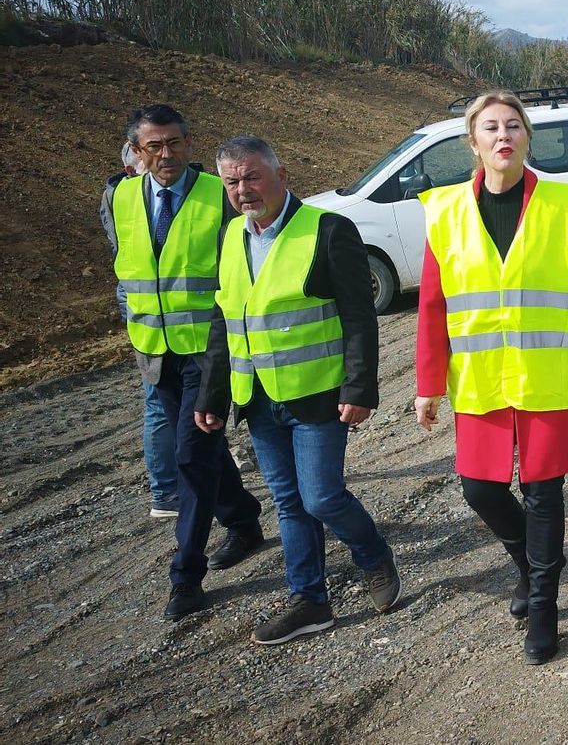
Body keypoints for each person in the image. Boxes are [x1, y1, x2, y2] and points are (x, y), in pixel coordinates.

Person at [414, 91, 568, 664]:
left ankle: (545, 609)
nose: (503, 135)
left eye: (513, 126)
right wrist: (428, 384)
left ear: (527, 136)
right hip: (481, 379)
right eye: (490, 128)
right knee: (478, 488)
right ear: (473, 142)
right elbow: (431, 307)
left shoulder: (564, 206)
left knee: (544, 492)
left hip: (548, 375)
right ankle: (530, 564)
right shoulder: (444, 212)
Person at [196, 135, 400, 644]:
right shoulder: (230, 236)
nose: (243, 189)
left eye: (252, 177)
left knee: (322, 498)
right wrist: (212, 394)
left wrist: (360, 386)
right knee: (288, 502)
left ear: (281, 176)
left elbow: (358, 316)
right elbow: (226, 320)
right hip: (257, 397)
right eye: (232, 182)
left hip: (317, 394)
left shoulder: (327, 230)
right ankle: (309, 600)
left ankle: (373, 554)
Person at [105, 104, 266, 619]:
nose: (166, 154)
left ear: (188, 143)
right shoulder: (120, 196)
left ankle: (186, 577)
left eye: (174, 142)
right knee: (203, 447)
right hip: (154, 352)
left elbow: (244, 264)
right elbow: (125, 268)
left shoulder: (218, 195)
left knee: (190, 456)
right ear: (137, 151)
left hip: (208, 351)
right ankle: (243, 521)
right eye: (154, 146)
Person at [101, 137, 184, 518]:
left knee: (179, 401)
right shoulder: (121, 198)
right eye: (147, 157)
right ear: (132, 165)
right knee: (158, 400)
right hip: (148, 309)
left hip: (168, 310)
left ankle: (180, 483)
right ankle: (166, 490)